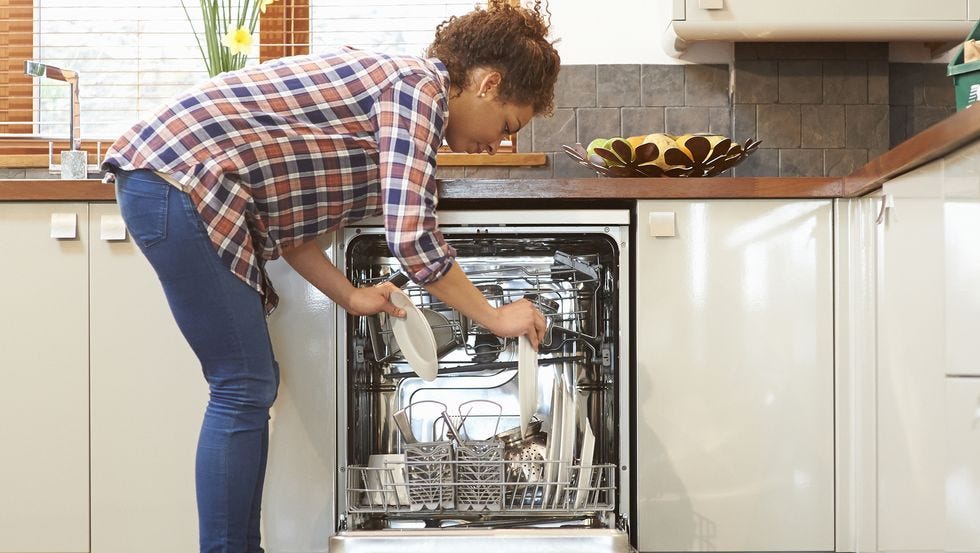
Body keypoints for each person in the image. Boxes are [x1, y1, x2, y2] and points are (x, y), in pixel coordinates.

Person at [100, 1, 559, 551]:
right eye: (507, 126)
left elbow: (293, 223)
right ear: (488, 83)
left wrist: (350, 294)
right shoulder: (416, 89)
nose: (499, 143)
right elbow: (411, 240)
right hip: (179, 182)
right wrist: (494, 315)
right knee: (243, 386)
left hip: (176, 185)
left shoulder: (398, 109)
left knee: (248, 386)